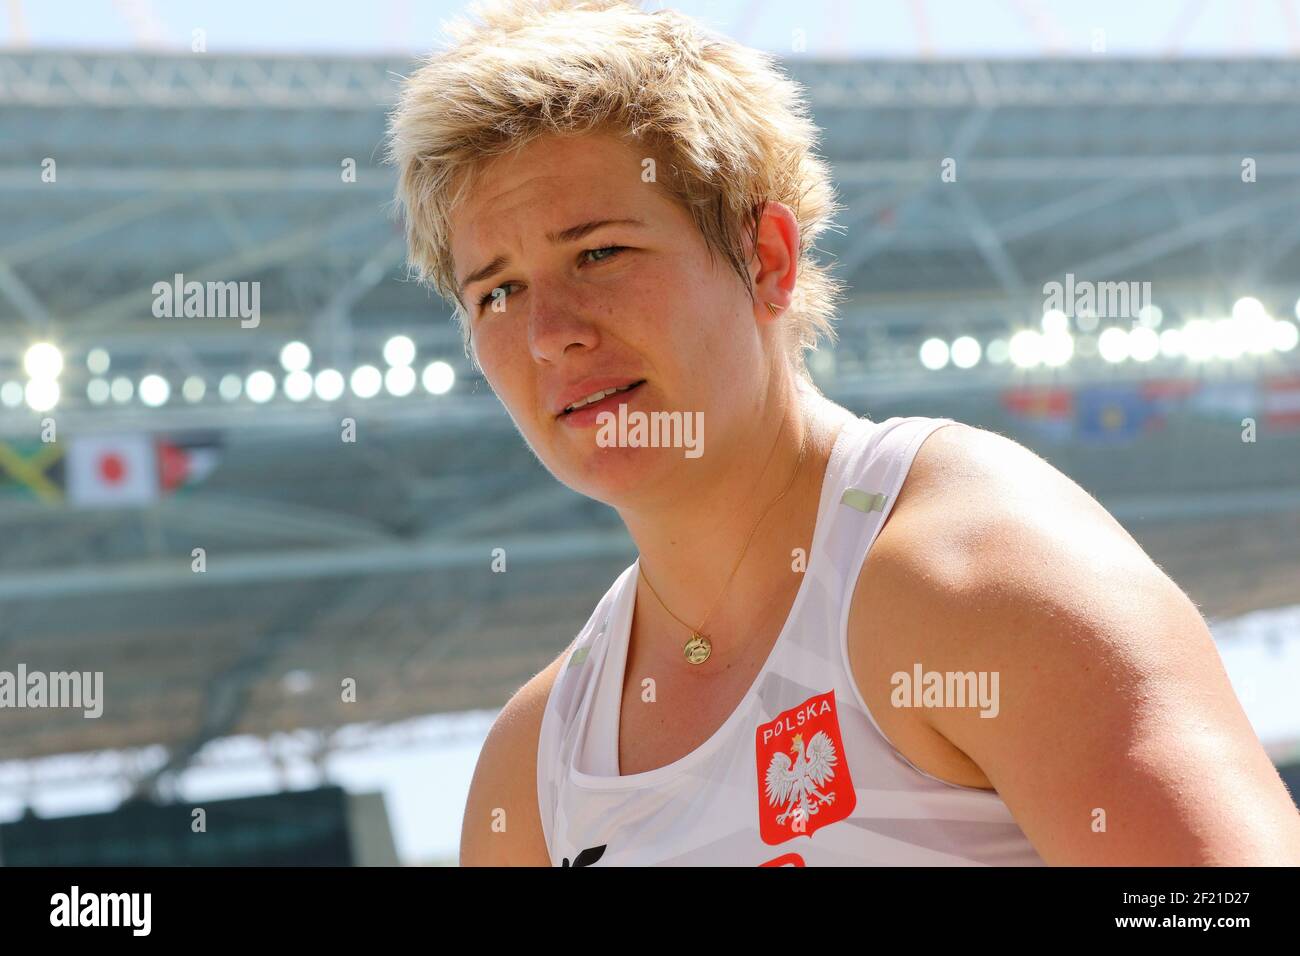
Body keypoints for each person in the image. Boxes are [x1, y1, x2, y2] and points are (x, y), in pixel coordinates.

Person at [387, 0, 1300, 865]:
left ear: (767, 260)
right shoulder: (533, 770)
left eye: (599, 252)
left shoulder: (973, 570)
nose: (551, 333)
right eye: (496, 292)